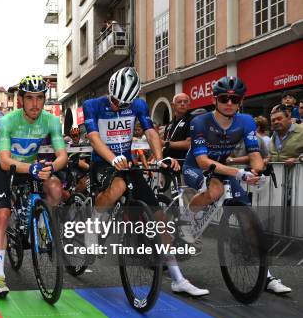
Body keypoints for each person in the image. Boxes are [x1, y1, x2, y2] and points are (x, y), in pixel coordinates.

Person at [83, 67, 207, 297]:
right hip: (103, 162)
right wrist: (112, 158)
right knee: (117, 186)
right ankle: (94, 224)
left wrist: (160, 159)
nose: (117, 107)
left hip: (127, 165)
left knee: (159, 216)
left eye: (123, 105)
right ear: (110, 92)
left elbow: (151, 133)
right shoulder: (92, 105)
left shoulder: (139, 104)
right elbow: (93, 137)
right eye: (115, 102)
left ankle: (178, 278)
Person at [183, 76, 291, 295]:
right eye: (224, 98)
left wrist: (257, 172)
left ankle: (266, 276)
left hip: (223, 168)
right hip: (196, 166)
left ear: (241, 101)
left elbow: (255, 155)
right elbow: (203, 162)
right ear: (215, 100)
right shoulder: (200, 122)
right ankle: (185, 219)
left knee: (248, 220)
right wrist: (240, 173)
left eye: (235, 99)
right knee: (215, 190)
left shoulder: (246, 121)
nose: (229, 103)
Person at [0, 75, 68, 297]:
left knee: (54, 187)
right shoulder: (7, 121)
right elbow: (4, 160)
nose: (35, 103)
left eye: (40, 98)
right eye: (30, 98)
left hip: (32, 166)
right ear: (21, 99)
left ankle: (43, 226)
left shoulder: (51, 121)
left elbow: (63, 156)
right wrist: (31, 169)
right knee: (3, 215)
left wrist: (51, 167)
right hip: (6, 168)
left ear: (45, 100)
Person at [162, 93, 193, 162]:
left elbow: (189, 144)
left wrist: (165, 143)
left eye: (185, 102)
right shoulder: (170, 124)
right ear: (173, 105)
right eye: (179, 102)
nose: (182, 104)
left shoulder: (193, 120)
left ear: (189, 105)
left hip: (183, 163)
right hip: (167, 162)